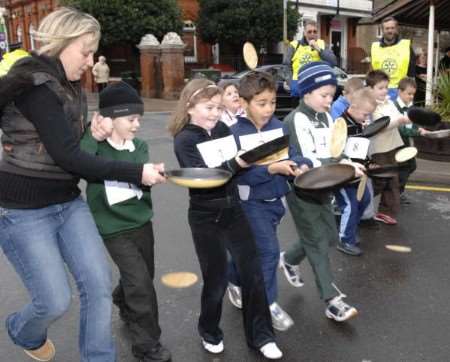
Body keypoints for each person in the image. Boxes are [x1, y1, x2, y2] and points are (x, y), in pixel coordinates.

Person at [0, 7, 165, 362]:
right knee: (54, 301)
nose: (90, 62)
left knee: (98, 285)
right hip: (23, 210)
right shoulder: (34, 86)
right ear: (61, 43)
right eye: (85, 52)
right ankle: (21, 329)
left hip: (67, 202)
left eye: (93, 53)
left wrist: (91, 132)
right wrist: (137, 173)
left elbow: (64, 141)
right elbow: (69, 158)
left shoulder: (67, 83)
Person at [168, 78, 283, 359]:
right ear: (190, 106)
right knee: (216, 280)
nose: (214, 114)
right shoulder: (184, 139)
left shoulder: (221, 128)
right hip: (205, 216)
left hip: (234, 210)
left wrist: (252, 160)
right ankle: (209, 330)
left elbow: (236, 170)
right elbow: (204, 178)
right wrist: (239, 162)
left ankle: (262, 337)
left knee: (253, 273)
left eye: (218, 108)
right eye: (208, 107)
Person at [80, 81, 171, 362]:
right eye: (131, 119)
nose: (136, 125)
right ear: (108, 119)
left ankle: (122, 298)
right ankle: (147, 344)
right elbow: (79, 162)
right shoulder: (94, 148)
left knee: (143, 277)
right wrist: (91, 135)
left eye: (139, 119)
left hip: (142, 222)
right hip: (112, 228)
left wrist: (153, 176)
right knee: (141, 284)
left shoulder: (139, 146)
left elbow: (140, 180)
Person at [226, 71, 312, 331]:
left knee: (249, 251)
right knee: (269, 253)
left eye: (272, 102)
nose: (268, 109)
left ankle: (232, 277)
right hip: (250, 203)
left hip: (277, 201)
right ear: (243, 103)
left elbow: (293, 154)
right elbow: (238, 175)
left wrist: (302, 164)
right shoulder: (233, 133)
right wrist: (271, 170)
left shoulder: (278, 126)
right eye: (261, 103)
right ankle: (267, 305)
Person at [279, 61, 363, 322]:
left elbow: (336, 149)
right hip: (301, 189)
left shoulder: (327, 117)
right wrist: (344, 167)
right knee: (317, 241)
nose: (329, 101)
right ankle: (331, 300)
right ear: (306, 93)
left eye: (332, 96)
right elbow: (309, 161)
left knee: (327, 235)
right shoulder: (296, 119)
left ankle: (289, 258)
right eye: (324, 95)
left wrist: (350, 160)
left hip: (324, 185)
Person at [334, 87, 377, 256]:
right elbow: (336, 152)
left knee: (364, 200)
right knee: (350, 206)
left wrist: (369, 163)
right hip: (343, 174)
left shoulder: (358, 123)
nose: (367, 118)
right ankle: (345, 240)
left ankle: (349, 229)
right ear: (354, 107)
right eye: (365, 114)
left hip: (359, 174)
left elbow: (360, 149)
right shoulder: (341, 124)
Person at [366, 70, 410, 225]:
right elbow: (381, 126)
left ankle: (385, 211)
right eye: (380, 88)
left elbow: (398, 117)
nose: (385, 90)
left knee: (392, 179)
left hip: (392, 146)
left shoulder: (389, 102)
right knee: (379, 180)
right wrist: (400, 120)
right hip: (378, 149)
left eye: (386, 87)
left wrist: (405, 119)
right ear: (370, 89)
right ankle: (360, 203)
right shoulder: (371, 106)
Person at [393, 77, 429, 202]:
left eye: (413, 94)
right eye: (409, 94)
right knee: (403, 168)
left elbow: (414, 123)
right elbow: (401, 129)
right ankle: (396, 193)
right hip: (396, 143)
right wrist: (418, 132)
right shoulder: (394, 107)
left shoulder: (411, 108)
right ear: (399, 92)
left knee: (411, 166)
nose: (411, 97)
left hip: (407, 143)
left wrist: (419, 128)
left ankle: (396, 191)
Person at [283, 19, 337, 98]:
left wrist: (318, 49)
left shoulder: (322, 44)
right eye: (309, 31)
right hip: (299, 85)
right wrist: (291, 83)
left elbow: (333, 62)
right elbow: (286, 66)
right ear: (304, 33)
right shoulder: (294, 45)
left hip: (317, 85)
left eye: (315, 32)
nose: (312, 34)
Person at [371, 16, 415, 100]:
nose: (390, 31)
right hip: (380, 92)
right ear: (382, 30)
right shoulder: (375, 47)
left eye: (392, 28)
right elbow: (372, 71)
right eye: (387, 28)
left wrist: (410, 93)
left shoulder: (406, 46)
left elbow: (412, 72)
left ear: (396, 29)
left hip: (401, 91)